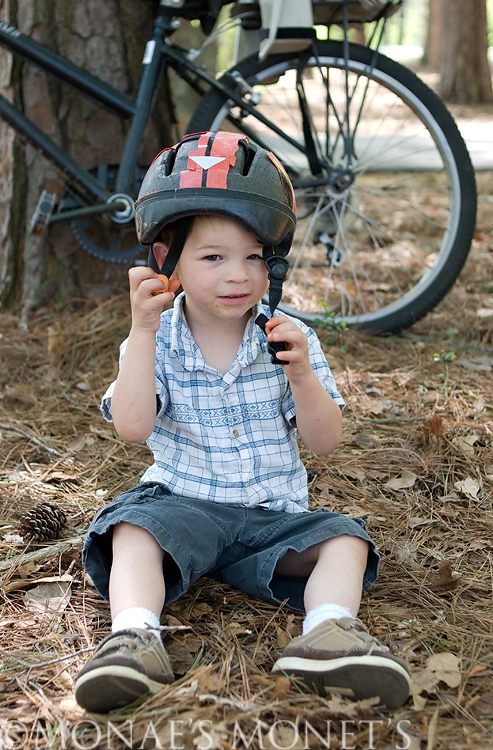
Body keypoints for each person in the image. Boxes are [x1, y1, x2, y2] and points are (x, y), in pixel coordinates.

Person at [75, 131, 411, 714]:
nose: (238, 275)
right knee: (131, 528)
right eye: (213, 257)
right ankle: (134, 638)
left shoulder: (287, 339)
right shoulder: (156, 340)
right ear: (166, 261)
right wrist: (142, 335)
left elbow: (325, 442)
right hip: (185, 504)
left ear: (272, 262)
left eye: (254, 256)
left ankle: (329, 633)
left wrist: (303, 376)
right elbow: (131, 427)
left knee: (346, 539)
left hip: (272, 516)